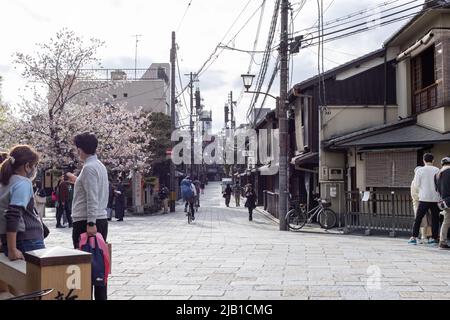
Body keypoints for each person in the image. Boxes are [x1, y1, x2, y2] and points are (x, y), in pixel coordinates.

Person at [67, 133, 109, 300]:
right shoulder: (98, 165)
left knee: (85, 269)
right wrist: (77, 180)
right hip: (98, 218)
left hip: (87, 221)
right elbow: (92, 191)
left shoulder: (89, 168)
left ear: (80, 149)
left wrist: (91, 223)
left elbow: (92, 197)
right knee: (98, 266)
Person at [0, 145, 45, 261]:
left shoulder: (4, 183)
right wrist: (12, 249)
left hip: (10, 240)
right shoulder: (23, 183)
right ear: (27, 166)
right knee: (38, 278)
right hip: (28, 241)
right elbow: (13, 215)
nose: (35, 169)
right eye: (35, 166)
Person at [408, 153, 441, 245]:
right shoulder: (437, 170)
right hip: (435, 198)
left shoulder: (420, 171)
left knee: (418, 218)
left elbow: (417, 184)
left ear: (423, 160)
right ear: (433, 160)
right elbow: (439, 184)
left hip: (423, 198)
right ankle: (434, 238)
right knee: (435, 219)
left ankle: (414, 237)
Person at [411, 167, 431, 243]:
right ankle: (422, 236)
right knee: (422, 220)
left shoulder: (422, 182)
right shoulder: (414, 182)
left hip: (424, 202)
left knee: (426, 220)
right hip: (418, 203)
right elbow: (414, 195)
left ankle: (425, 236)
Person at [436, 157, 450, 249]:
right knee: (447, 221)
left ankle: (442, 241)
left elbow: (437, 189)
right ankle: (442, 241)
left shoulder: (437, 174)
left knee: (446, 221)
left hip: (443, 201)